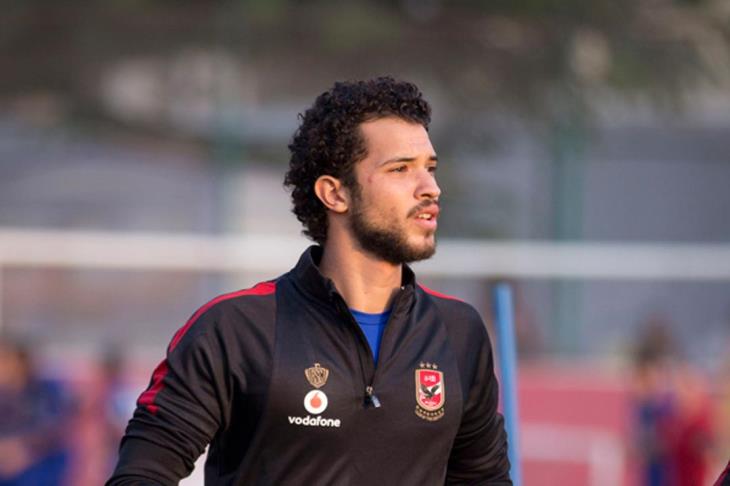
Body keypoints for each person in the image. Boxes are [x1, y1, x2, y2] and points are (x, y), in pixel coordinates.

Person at [108, 76, 511, 485]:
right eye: (400, 169)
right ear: (335, 194)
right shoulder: (235, 329)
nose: (430, 188)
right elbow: (140, 476)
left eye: (430, 168)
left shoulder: (459, 332)